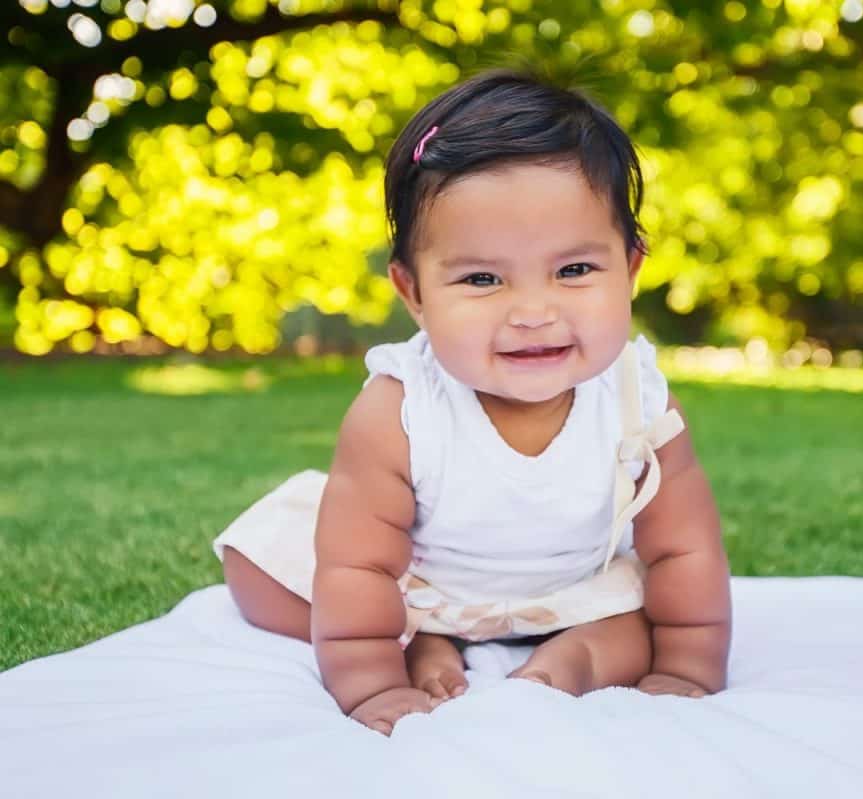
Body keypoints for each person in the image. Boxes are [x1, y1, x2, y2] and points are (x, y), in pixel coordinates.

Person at [213, 70, 731, 737]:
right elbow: (359, 563)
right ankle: (421, 642)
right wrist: (373, 680)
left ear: (629, 269)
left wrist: (688, 665)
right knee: (260, 568)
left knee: (642, 622)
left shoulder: (639, 396)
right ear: (414, 293)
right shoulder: (399, 410)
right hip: (418, 587)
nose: (534, 312)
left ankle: (571, 663)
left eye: (574, 270)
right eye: (483, 278)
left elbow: (684, 547)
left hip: (573, 592)